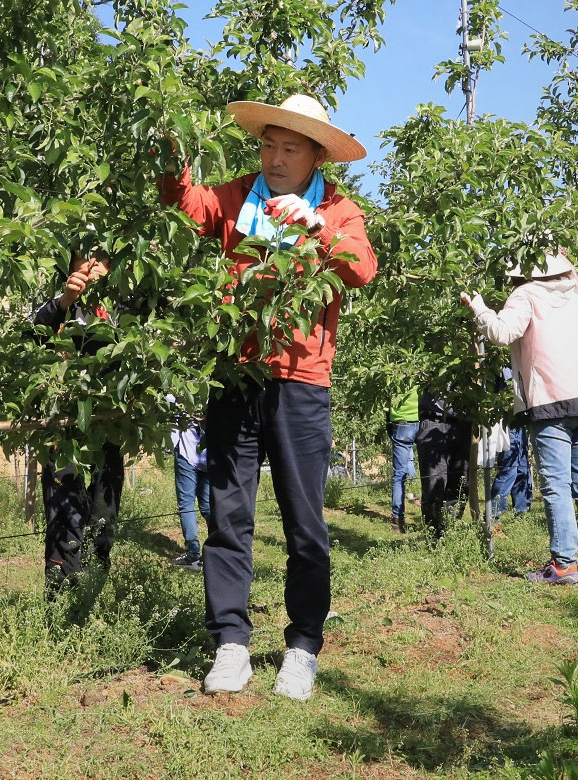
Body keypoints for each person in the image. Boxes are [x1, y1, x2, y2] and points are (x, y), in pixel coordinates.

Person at [159, 94, 377, 700]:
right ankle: (230, 641)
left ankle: (303, 646)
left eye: (289, 149)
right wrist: (166, 140)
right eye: (268, 145)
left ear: (315, 156)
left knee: (305, 522)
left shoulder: (337, 211)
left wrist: (315, 230)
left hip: (302, 385)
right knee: (227, 515)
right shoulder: (238, 196)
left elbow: (362, 267)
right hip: (236, 377)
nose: (275, 159)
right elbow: (186, 202)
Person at [465, 245, 578, 584]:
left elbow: (503, 333)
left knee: (557, 485)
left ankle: (563, 566)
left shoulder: (525, 294)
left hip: (552, 401)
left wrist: (479, 308)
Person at [30, 255, 129, 590]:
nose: (93, 267)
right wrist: (66, 300)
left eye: (101, 260)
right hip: (65, 429)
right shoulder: (62, 305)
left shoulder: (121, 310)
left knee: (105, 511)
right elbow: (31, 335)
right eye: (86, 259)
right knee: (64, 513)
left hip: (108, 429)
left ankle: (93, 592)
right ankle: (59, 595)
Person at [415, 390, 473, 539]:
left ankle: (449, 534)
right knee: (433, 485)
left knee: (461, 486)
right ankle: (433, 537)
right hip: (434, 421)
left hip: (463, 423)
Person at [489, 365, 534, 516]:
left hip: (519, 418)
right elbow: (510, 389)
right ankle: (493, 515)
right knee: (509, 469)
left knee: (522, 466)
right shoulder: (504, 362)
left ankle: (522, 512)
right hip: (508, 418)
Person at [170, 415, 210, 571]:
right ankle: (217, 549)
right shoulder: (215, 392)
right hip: (209, 453)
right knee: (208, 505)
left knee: (186, 504)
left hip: (187, 452)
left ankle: (192, 554)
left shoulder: (178, 392)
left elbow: (171, 413)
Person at [386, 388, 419, 532]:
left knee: (399, 474)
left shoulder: (390, 368)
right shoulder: (422, 369)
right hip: (421, 419)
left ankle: (397, 521)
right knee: (428, 471)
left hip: (400, 422)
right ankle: (430, 517)